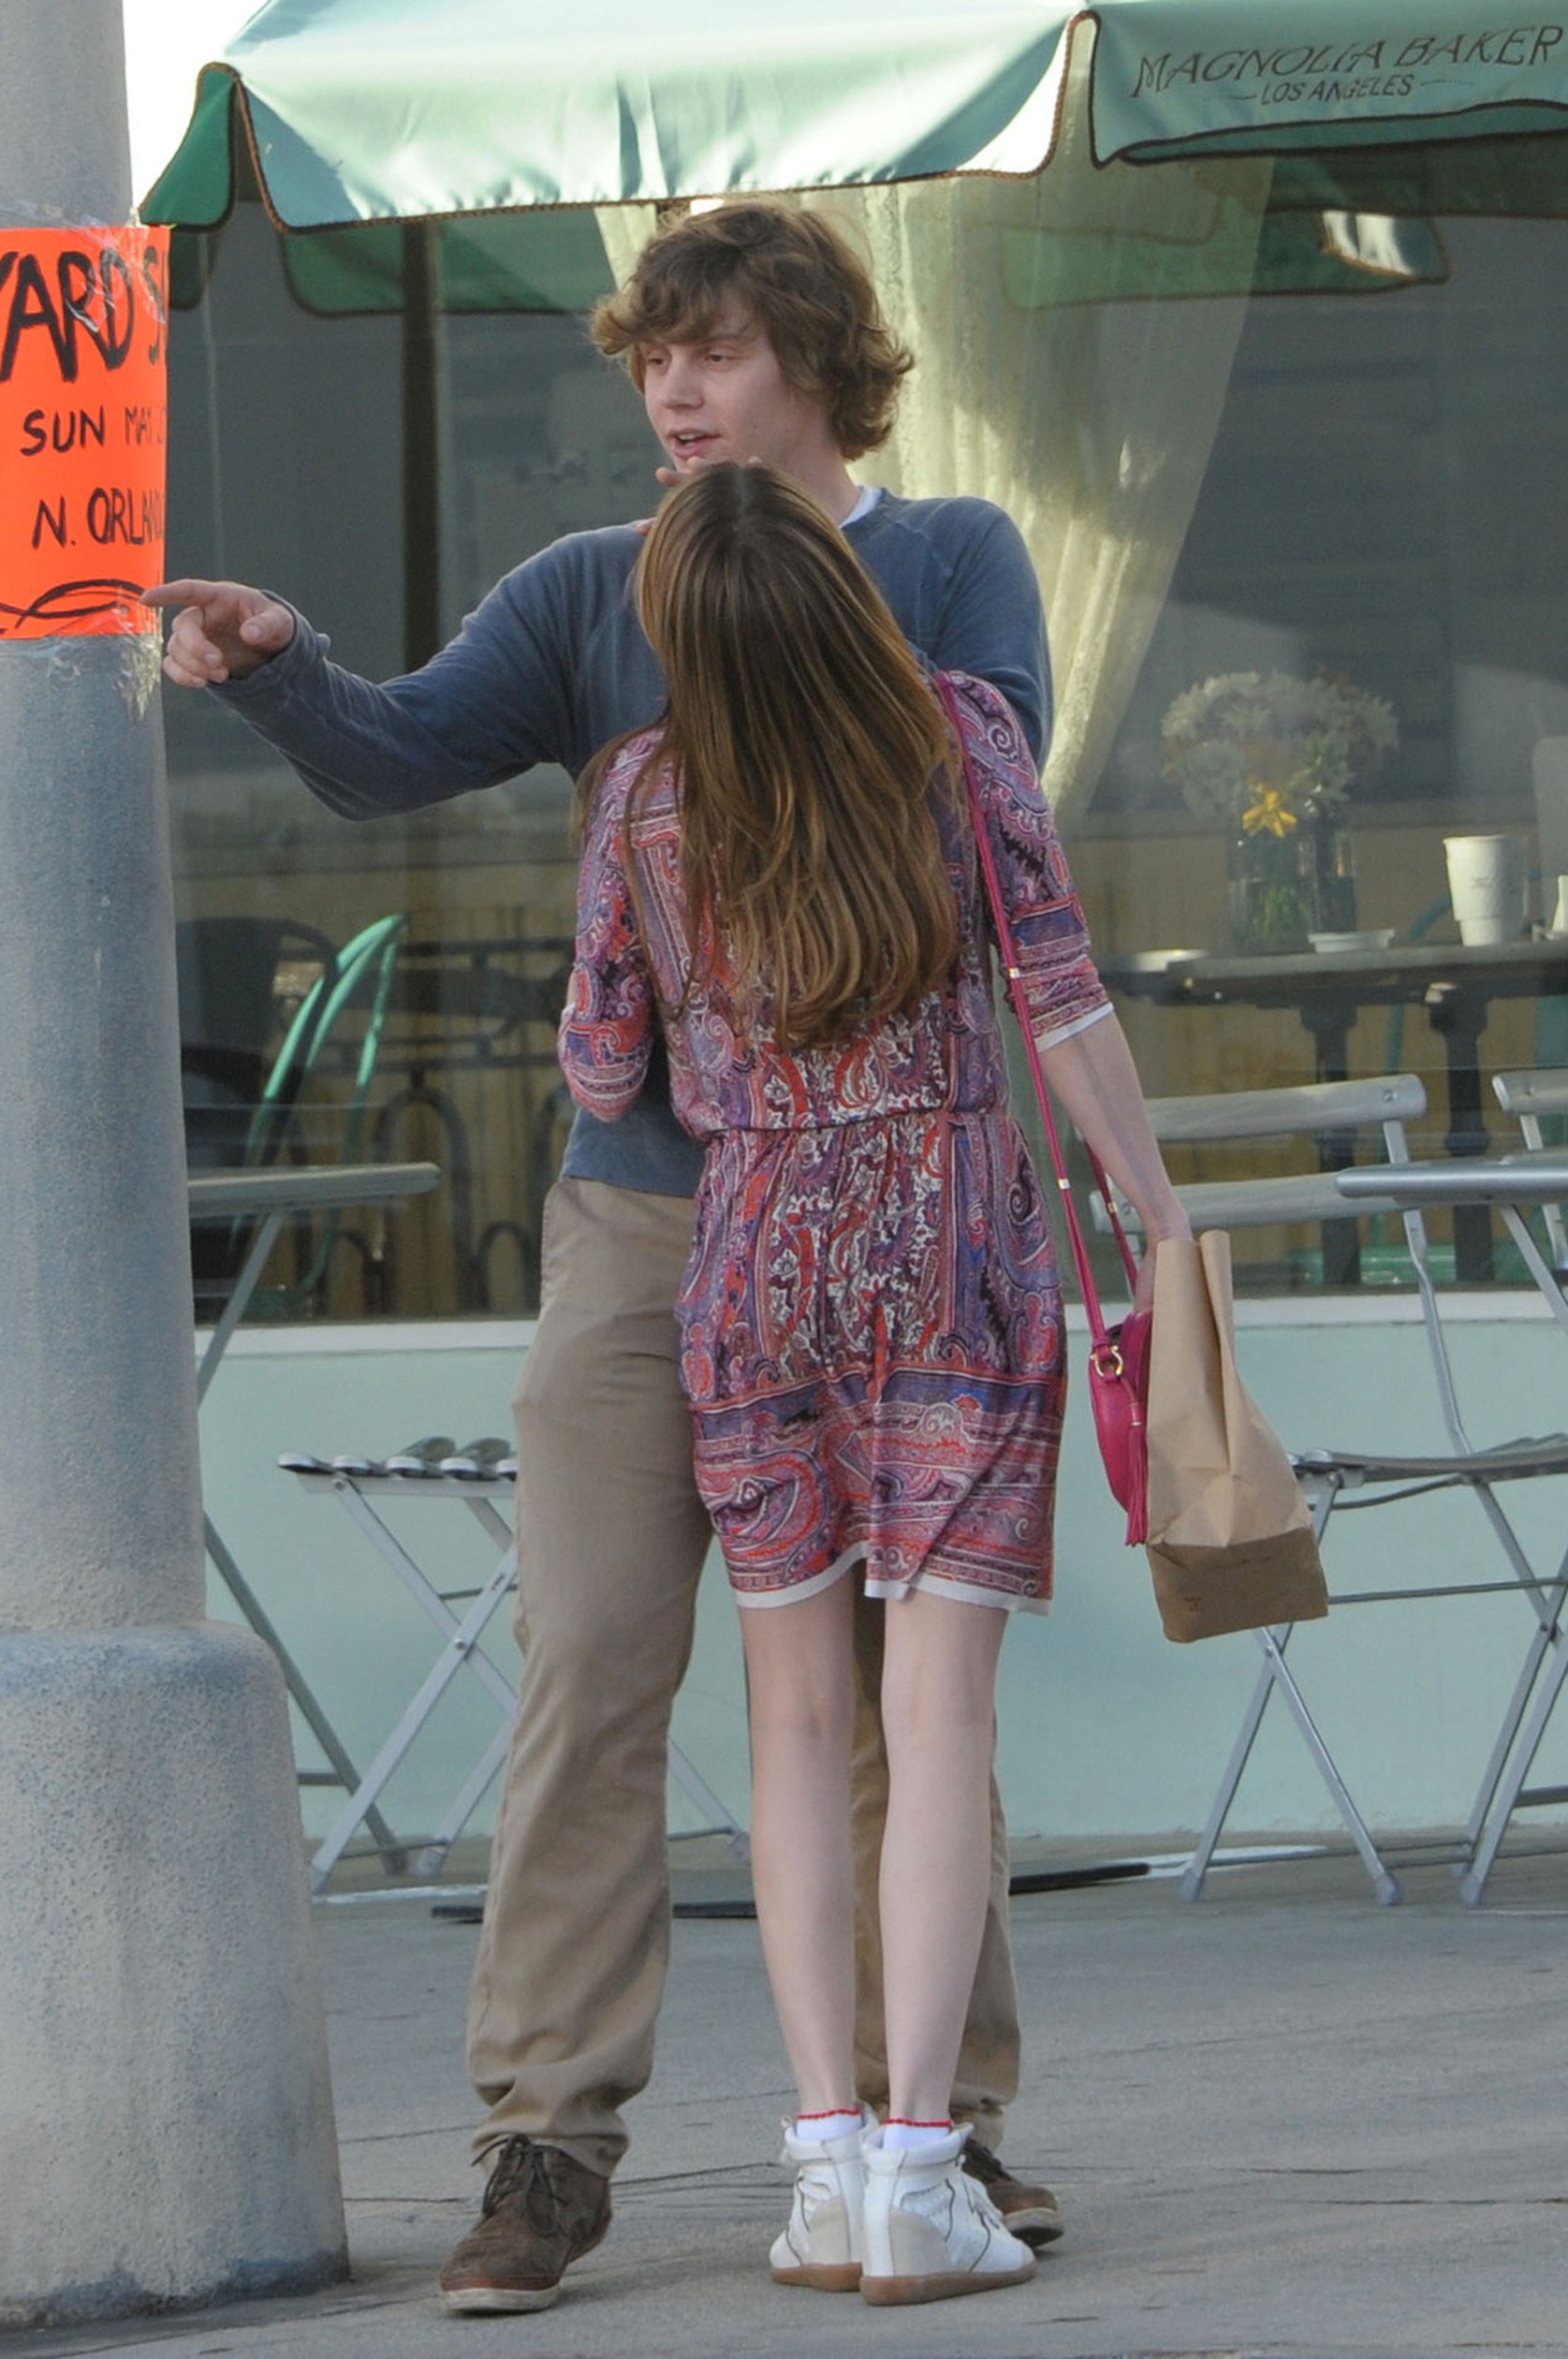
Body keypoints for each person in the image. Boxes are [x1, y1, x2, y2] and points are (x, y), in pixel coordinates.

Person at [148, 200, 1058, 2316]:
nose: (670, 385)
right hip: (654, 1207)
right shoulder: (588, 587)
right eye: (652, 351)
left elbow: (968, 816)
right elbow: (404, 754)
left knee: (887, 1707)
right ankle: (544, 2147)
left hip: (909, 1200)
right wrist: (285, 674)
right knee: (593, 1657)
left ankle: (935, 2131)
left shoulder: (948, 565)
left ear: (820, 365)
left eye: (717, 349)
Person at [559, 460, 1189, 2305]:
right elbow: (1059, 993)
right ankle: (925, 2163)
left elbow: (603, 1073)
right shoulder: (960, 739)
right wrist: (1151, 1214)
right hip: (956, 1247)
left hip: (751, 1267)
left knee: (786, 1731)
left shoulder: (644, 797)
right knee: (937, 1727)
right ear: (845, 594)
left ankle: (825, 2168)